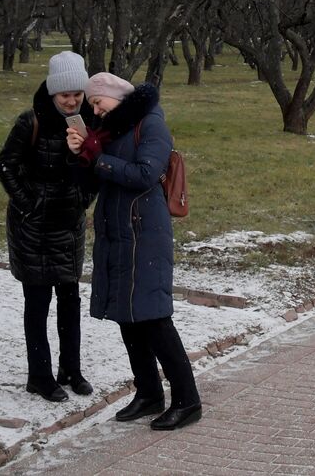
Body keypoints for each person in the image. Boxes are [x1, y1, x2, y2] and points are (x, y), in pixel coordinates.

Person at [70, 72, 202, 431]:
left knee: (155, 318)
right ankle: (148, 393)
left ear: (119, 98)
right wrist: (83, 154)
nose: (95, 110)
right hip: (117, 233)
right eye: (92, 104)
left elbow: (145, 174)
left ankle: (188, 401)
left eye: (99, 102)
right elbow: (98, 181)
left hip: (146, 233)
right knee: (127, 316)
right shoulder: (110, 130)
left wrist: (98, 158)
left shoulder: (152, 125)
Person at [0, 51, 97, 403]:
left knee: (70, 299)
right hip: (33, 229)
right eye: (64, 95)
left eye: (77, 94)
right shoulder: (31, 122)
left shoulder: (89, 123)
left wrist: (82, 196)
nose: (71, 101)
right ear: (52, 93)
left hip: (68, 226)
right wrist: (29, 203)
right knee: (37, 302)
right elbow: (5, 166)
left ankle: (71, 369)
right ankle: (39, 375)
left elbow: (94, 169)